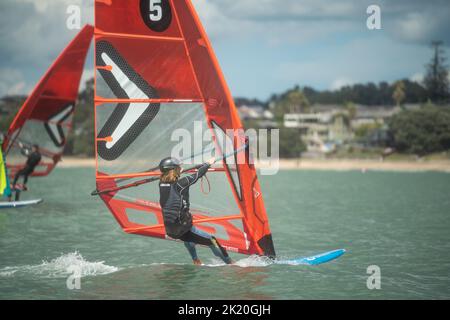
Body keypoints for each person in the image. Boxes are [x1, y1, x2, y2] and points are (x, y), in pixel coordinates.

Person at [159, 157, 233, 265]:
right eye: (179, 167)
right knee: (212, 240)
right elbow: (198, 175)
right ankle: (230, 263)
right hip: (183, 228)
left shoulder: (161, 184)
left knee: (188, 238)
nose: (181, 168)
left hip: (170, 229)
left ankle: (195, 260)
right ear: (173, 170)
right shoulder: (181, 184)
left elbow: (170, 180)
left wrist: (179, 171)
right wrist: (208, 163)